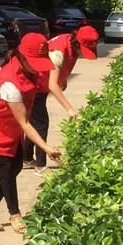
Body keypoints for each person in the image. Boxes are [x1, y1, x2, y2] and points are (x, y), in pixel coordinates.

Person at [0, 33, 62, 234]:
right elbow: (25, 123)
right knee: (7, 173)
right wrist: (46, 148)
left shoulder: (28, 69)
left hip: (11, 126)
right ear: (21, 58)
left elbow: (45, 82)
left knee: (14, 168)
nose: (38, 68)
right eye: (34, 62)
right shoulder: (9, 83)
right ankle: (14, 214)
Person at [23, 26, 99, 176]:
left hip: (42, 85)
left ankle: (26, 157)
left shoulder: (70, 42)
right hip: (35, 85)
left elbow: (61, 69)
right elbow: (52, 85)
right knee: (41, 124)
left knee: (35, 122)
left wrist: (62, 79)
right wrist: (69, 108)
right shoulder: (58, 51)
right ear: (78, 43)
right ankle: (40, 166)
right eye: (84, 49)